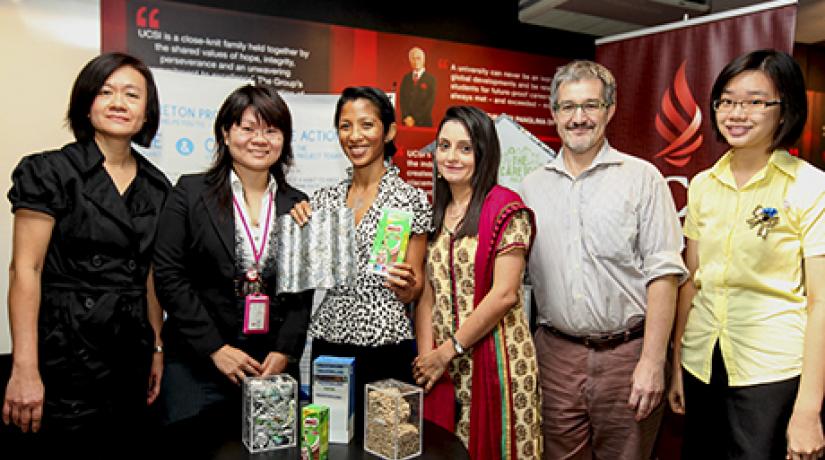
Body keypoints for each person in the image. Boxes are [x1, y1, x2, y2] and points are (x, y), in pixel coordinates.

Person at [2, 52, 170, 454]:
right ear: (85, 103)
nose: (118, 102)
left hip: (130, 350)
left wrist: (157, 347)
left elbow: (148, 276)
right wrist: (24, 367)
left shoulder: (158, 186)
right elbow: (25, 268)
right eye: (105, 91)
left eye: (132, 94)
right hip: (65, 350)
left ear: (147, 113)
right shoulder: (49, 171)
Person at [520, 60, 687, 459]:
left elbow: (664, 276)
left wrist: (652, 361)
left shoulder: (642, 179)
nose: (579, 118)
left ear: (610, 110)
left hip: (627, 357)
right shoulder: (530, 187)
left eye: (591, 105)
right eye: (568, 107)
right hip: (555, 358)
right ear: (553, 113)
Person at [668, 49, 825, 460]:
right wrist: (677, 364)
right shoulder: (703, 183)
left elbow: (820, 302)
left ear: (784, 108)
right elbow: (692, 279)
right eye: (727, 100)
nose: (737, 113)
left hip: (772, 370)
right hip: (703, 358)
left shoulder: (810, 188)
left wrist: (809, 409)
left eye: (755, 101)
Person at [151, 84, 313, 451]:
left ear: (284, 140)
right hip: (197, 362)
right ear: (225, 133)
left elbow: (303, 289)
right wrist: (215, 348)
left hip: (270, 362)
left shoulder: (298, 204)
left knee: (272, 452)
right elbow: (169, 276)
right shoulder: (190, 193)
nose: (259, 139)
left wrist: (286, 351)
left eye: (271, 130)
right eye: (247, 128)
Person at [290, 86, 432, 441]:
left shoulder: (410, 199)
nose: (355, 136)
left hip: (386, 344)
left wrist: (406, 285)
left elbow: (414, 289)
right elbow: (307, 268)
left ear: (389, 131)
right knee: (329, 443)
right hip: (330, 343)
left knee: (385, 444)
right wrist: (298, 221)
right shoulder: (324, 200)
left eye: (367, 125)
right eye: (345, 126)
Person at [413, 105, 541, 458]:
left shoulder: (505, 209)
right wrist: (428, 356)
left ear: (483, 154)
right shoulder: (435, 212)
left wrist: (447, 350)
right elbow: (427, 291)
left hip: (498, 365)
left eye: (465, 148)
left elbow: (504, 294)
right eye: (444, 146)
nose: (451, 157)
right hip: (444, 367)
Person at [399, 46, 437, 127]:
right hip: (406, 123)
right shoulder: (406, 78)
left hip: (424, 123)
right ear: (410, 61)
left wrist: (415, 119)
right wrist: (407, 117)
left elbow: (429, 102)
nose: (416, 61)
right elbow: (402, 99)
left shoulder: (431, 79)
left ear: (424, 60)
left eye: (418, 58)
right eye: (413, 58)